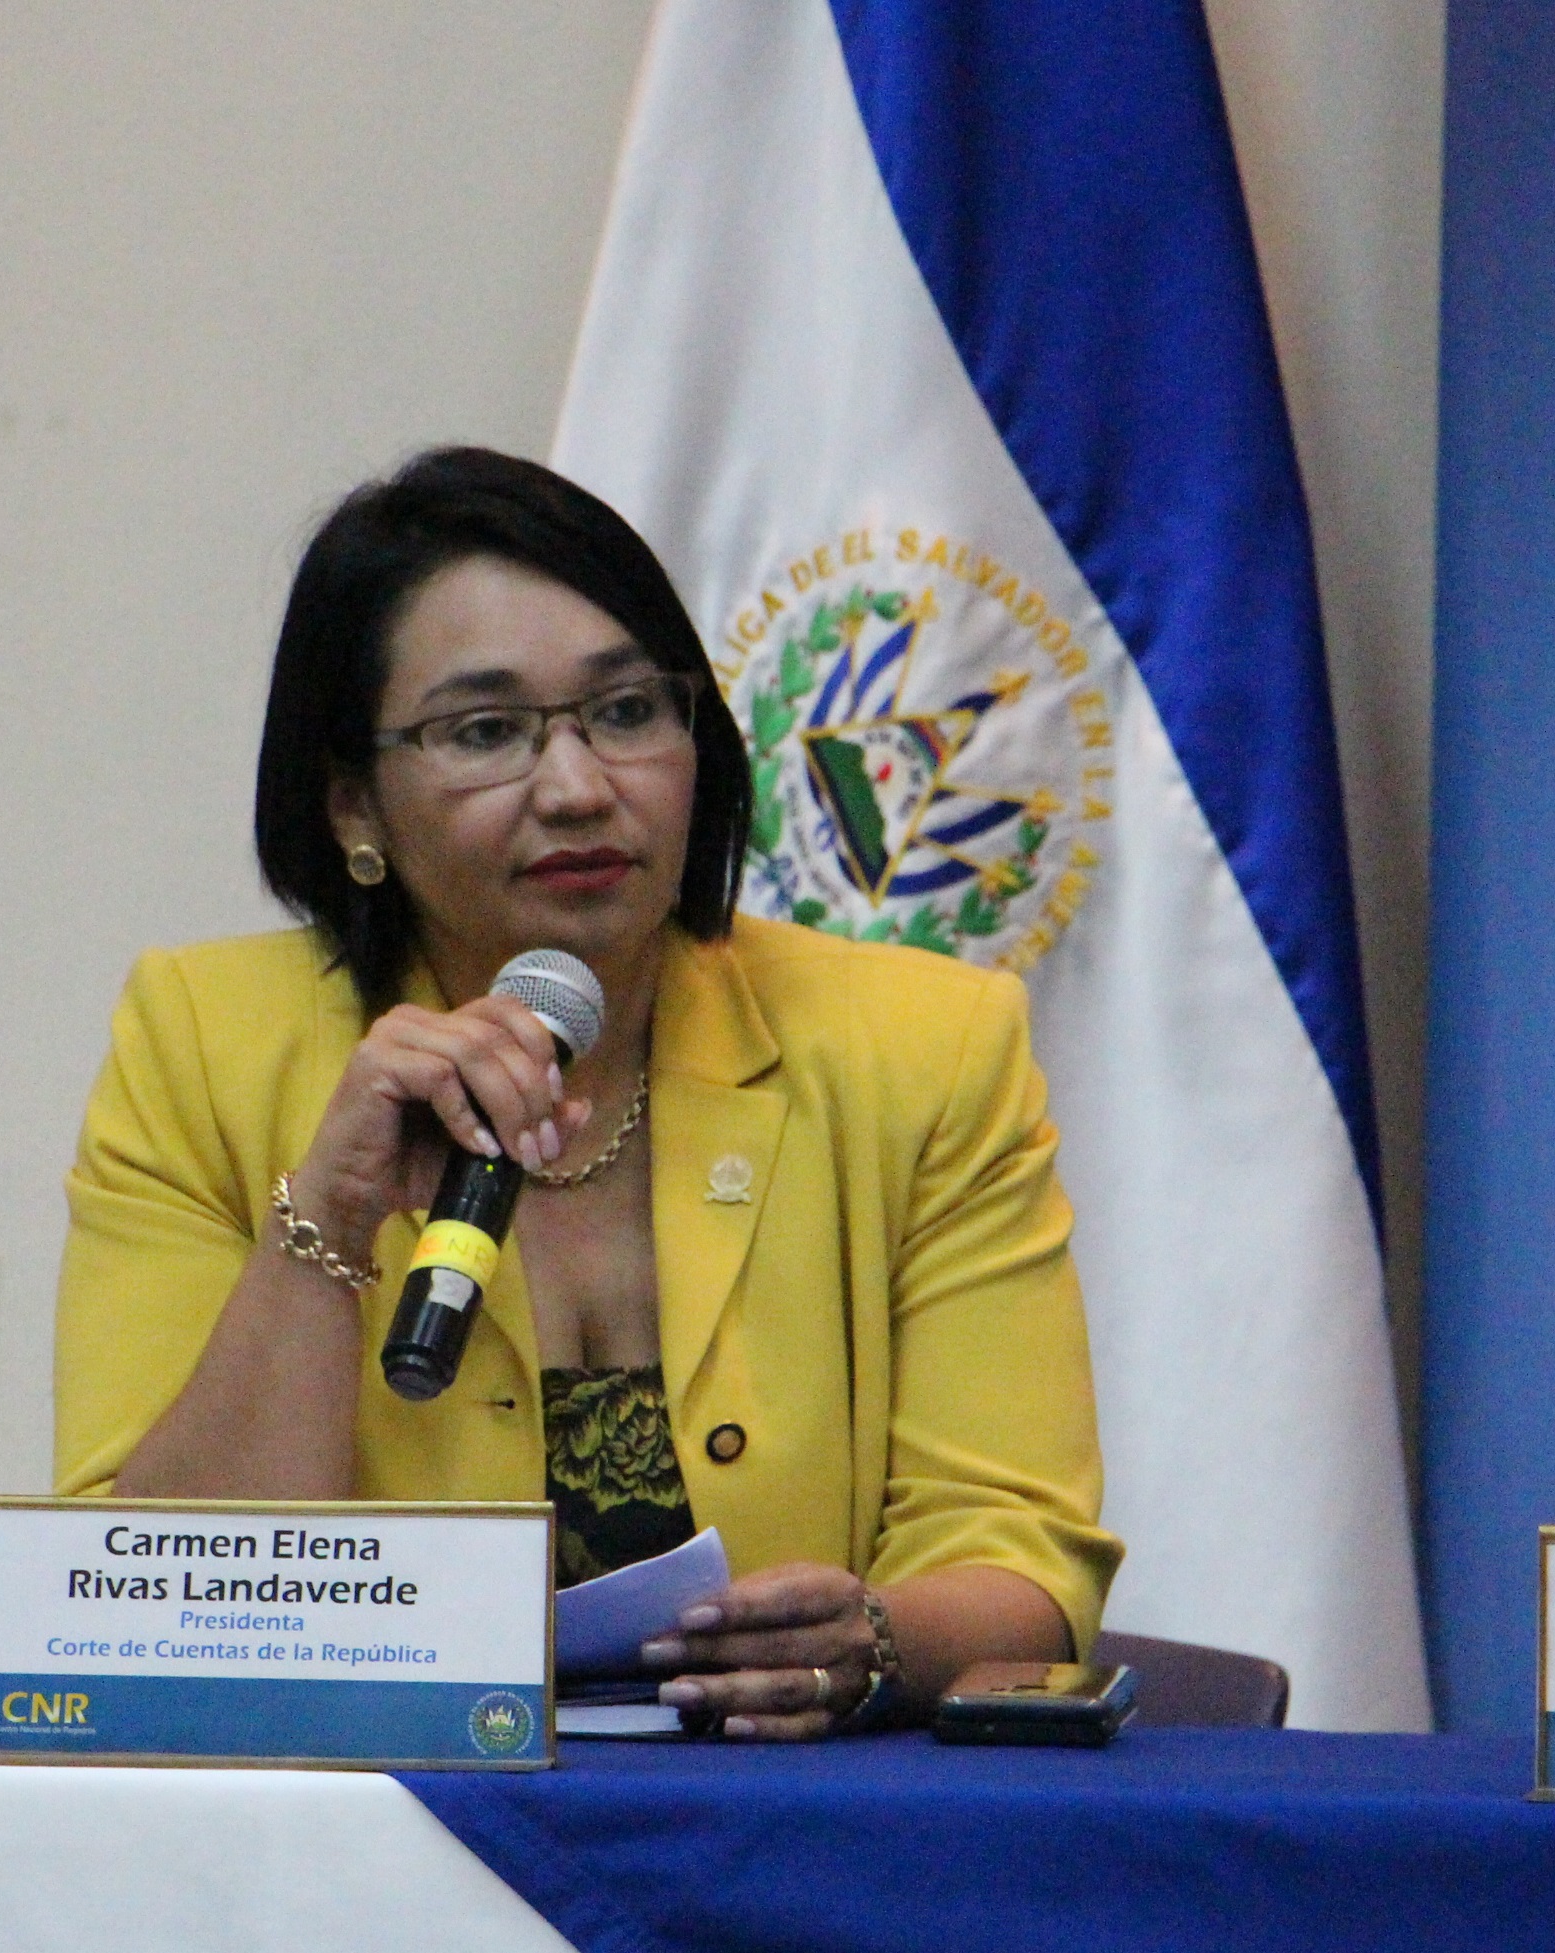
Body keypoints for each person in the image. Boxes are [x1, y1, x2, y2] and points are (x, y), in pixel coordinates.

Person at [55, 447, 1120, 1739]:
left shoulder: (921, 1047)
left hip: (781, 1816)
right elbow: (137, 1610)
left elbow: (1020, 1560)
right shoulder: (204, 1045)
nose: (576, 788)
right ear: (351, 805)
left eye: (624, 712)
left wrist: (873, 1642)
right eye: (484, 732)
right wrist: (327, 1221)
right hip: (378, 1821)